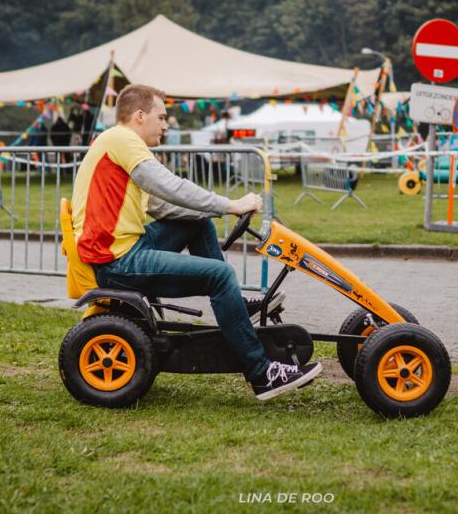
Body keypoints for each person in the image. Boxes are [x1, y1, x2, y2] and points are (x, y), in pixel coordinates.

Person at [72, 84, 321, 400]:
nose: (166, 125)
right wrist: (229, 205)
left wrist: (212, 209)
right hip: (116, 260)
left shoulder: (118, 144)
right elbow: (168, 186)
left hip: (122, 247)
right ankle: (262, 374)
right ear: (138, 116)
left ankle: (235, 308)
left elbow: (160, 205)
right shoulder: (123, 140)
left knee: (197, 221)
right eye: (161, 117)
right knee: (220, 276)